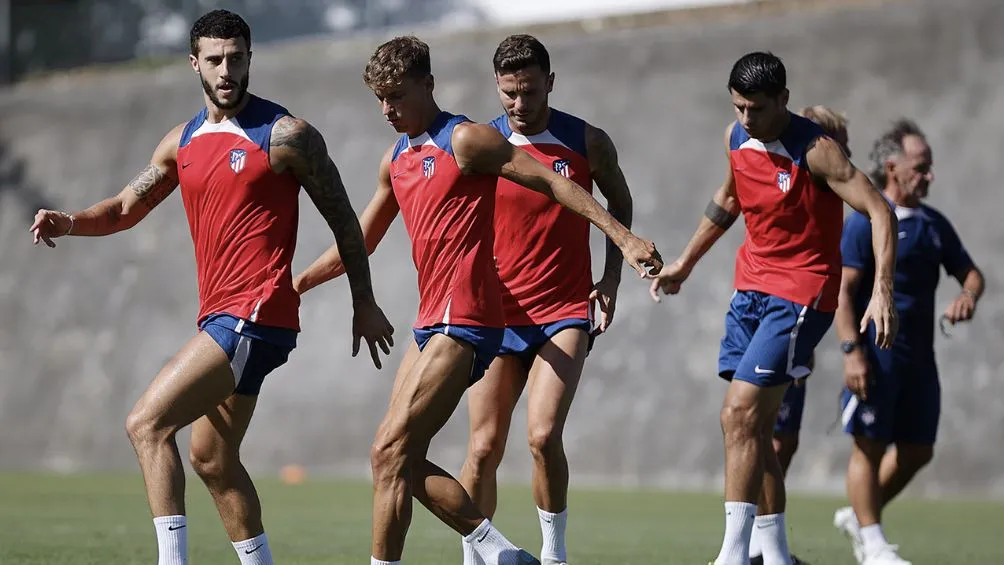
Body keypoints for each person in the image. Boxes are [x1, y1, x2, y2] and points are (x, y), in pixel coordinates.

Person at [28, 10, 393, 565]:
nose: (227, 70)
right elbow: (126, 208)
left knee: (146, 424)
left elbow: (346, 221)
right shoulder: (183, 141)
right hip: (222, 318)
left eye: (237, 57)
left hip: (256, 313)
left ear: (250, 58)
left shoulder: (286, 135)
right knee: (213, 461)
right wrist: (70, 221)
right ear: (194, 63)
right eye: (215, 59)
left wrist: (363, 302)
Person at [293, 36, 661, 565]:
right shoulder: (396, 157)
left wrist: (622, 242)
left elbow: (553, 185)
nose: (386, 110)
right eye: (379, 98)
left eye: (396, 96)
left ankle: (526, 553)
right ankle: (497, 555)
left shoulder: (467, 140)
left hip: (470, 317)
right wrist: (298, 284)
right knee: (397, 459)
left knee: (519, 438)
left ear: (428, 85)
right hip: (433, 320)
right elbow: (360, 240)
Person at [649, 52, 898, 565]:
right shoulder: (736, 138)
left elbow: (879, 210)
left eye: (757, 108)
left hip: (802, 294)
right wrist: (684, 264)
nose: (746, 119)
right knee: (755, 430)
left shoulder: (818, 151)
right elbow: (728, 199)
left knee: (737, 415)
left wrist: (883, 289)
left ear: (783, 100)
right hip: (749, 293)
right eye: (738, 107)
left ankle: (732, 556)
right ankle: (778, 558)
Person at [454, 34, 635, 565]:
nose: (519, 104)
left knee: (541, 436)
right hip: (494, 316)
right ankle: (475, 557)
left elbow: (619, 201)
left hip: (563, 312)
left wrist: (611, 279)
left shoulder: (586, 142)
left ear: (550, 84)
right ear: (497, 86)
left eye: (530, 91)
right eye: (509, 92)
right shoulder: (479, 143)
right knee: (483, 448)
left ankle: (553, 555)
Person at [832, 119, 984, 565]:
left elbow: (971, 273)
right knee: (869, 444)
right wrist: (851, 352)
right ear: (892, 168)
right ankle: (874, 543)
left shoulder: (934, 225)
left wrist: (967, 295)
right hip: (876, 357)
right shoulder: (868, 221)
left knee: (918, 450)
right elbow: (842, 292)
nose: (929, 175)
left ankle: (860, 515)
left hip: (921, 358)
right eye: (922, 166)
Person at [750, 105, 852, 565]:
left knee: (783, 439)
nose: (840, 152)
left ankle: (764, 540)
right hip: (775, 315)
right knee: (762, 434)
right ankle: (752, 543)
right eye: (834, 140)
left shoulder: (829, 197)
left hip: (801, 325)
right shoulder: (784, 183)